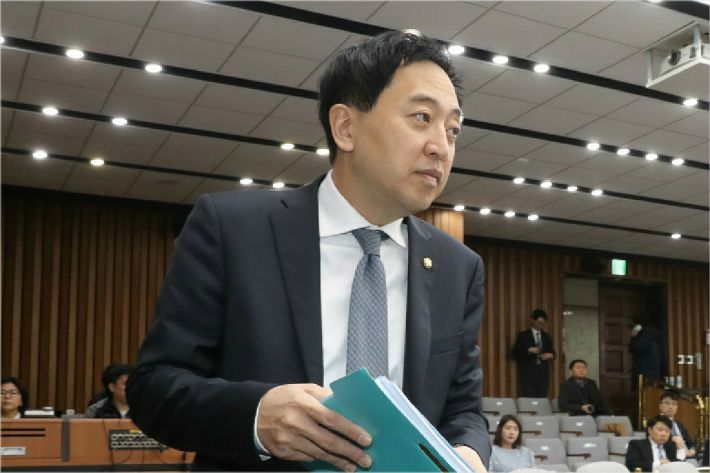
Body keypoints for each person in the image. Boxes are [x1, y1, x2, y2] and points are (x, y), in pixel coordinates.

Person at [127, 30, 489, 472]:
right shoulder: (233, 229)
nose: (441, 147)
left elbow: (463, 410)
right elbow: (154, 387)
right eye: (421, 118)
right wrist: (257, 416)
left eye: (452, 130)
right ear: (345, 127)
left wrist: (467, 455)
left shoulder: (458, 267)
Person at [512, 309, 555, 397]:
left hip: (543, 373)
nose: (540, 325)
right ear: (532, 320)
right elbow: (515, 352)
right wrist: (528, 350)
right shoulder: (523, 335)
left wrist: (550, 355)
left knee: (542, 398)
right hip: (528, 373)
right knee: (529, 398)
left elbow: (553, 352)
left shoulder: (546, 336)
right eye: (538, 323)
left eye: (543, 323)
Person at [658, 390, 696, 458]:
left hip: (687, 457)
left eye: (674, 404)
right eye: (667, 403)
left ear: (677, 407)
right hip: (669, 458)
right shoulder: (654, 424)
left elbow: (690, 443)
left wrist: (692, 450)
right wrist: (674, 441)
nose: (671, 407)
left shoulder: (679, 425)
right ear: (660, 406)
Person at [629, 320, 662, 390]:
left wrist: (633, 337)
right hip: (653, 371)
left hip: (644, 372)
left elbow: (636, 349)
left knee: (643, 394)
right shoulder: (654, 334)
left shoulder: (645, 335)